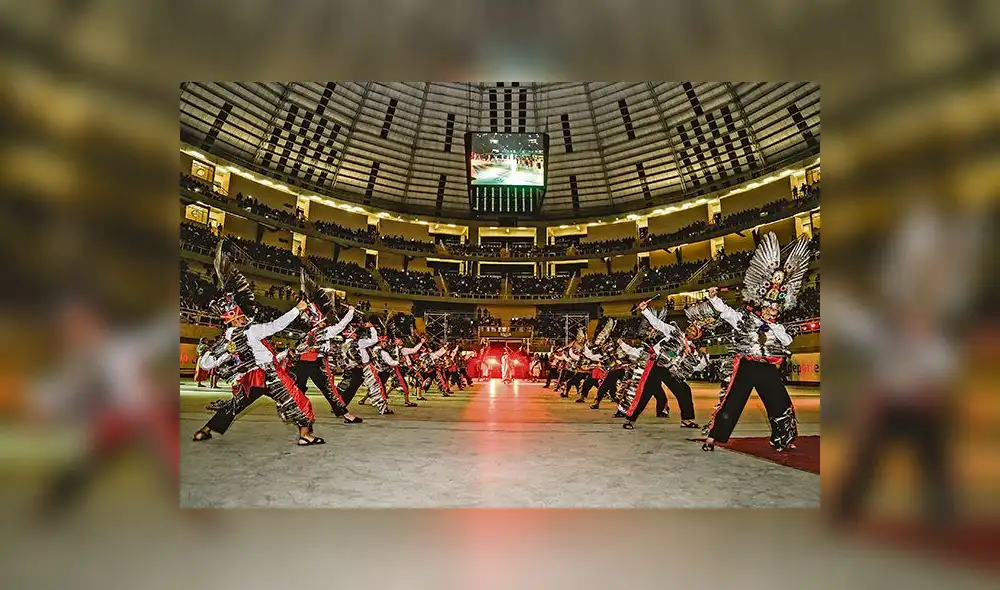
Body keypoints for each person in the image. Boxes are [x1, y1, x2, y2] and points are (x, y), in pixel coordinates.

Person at [192, 242, 322, 445]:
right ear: (235, 317)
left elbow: (207, 364)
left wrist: (223, 349)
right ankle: (305, 435)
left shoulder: (227, 337)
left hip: (250, 379)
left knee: (234, 405)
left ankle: (204, 431)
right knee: (298, 400)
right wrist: (298, 308)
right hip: (270, 375)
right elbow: (277, 325)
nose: (245, 315)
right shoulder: (252, 330)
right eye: (241, 314)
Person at [702, 232, 811, 451]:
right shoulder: (745, 318)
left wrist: (771, 324)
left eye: (776, 308)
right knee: (732, 401)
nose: (772, 310)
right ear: (762, 305)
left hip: (768, 367)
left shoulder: (779, 327)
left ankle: (783, 439)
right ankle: (714, 436)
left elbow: (787, 341)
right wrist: (714, 298)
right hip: (746, 365)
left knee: (780, 403)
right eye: (769, 307)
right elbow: (727, 313)